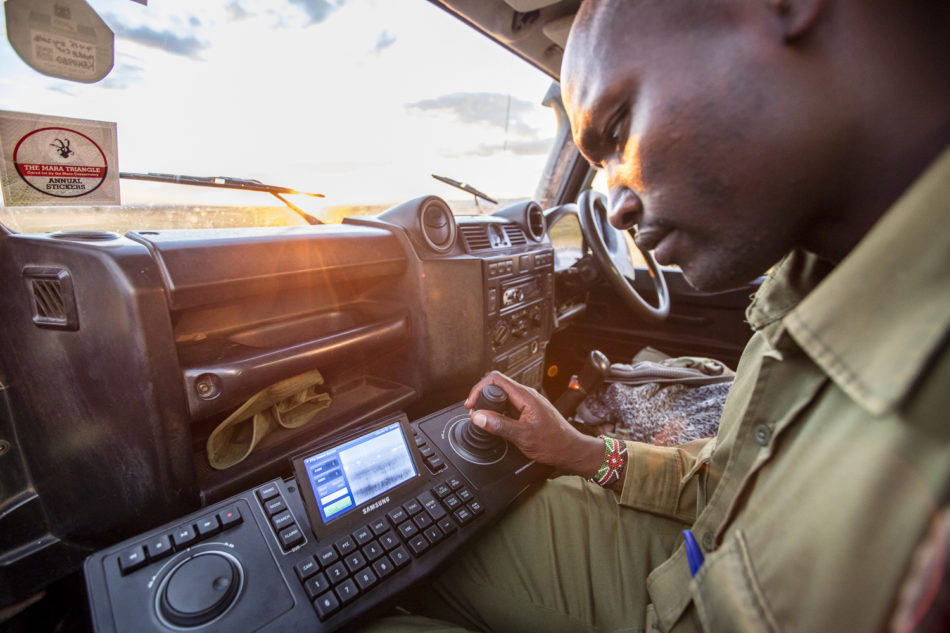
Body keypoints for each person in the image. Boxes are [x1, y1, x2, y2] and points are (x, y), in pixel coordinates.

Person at [362, 0, 950, 630]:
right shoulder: (812, 286)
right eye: (597, 168)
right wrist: (578, 449)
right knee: (422, 548)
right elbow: (724, 482)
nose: (615, 206)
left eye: (617, 132)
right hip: (698, 554)